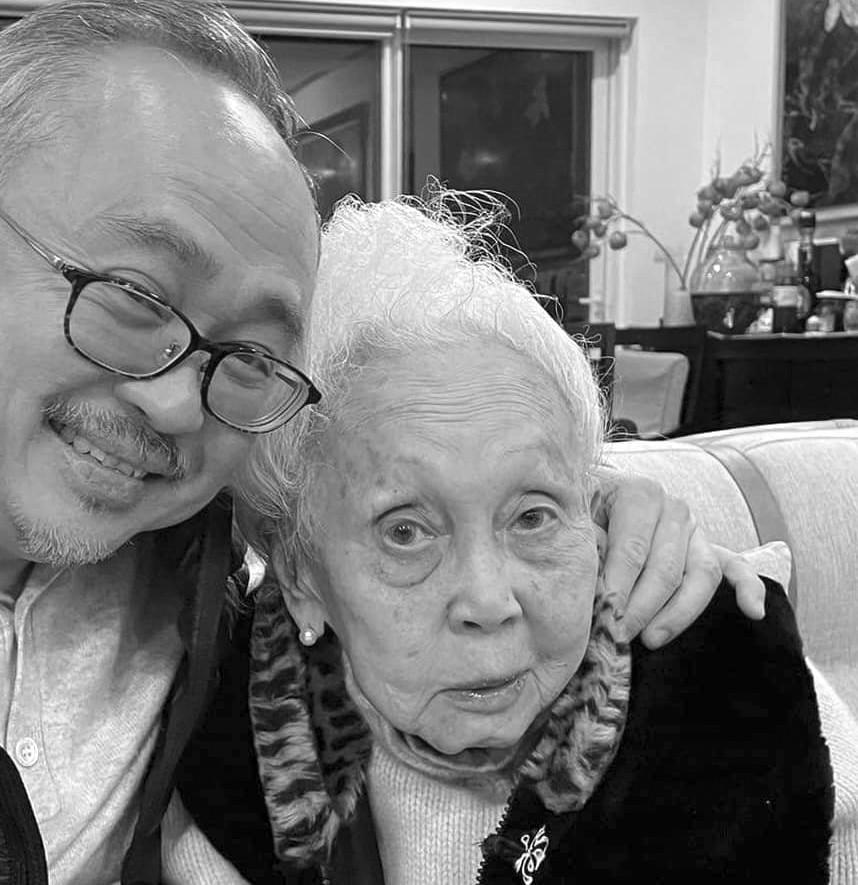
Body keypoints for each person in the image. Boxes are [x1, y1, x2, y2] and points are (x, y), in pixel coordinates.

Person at [0, 2, 763, 883]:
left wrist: (612, 518)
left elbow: (413, 485)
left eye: (247, 353)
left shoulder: (200, 504)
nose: (181, 406)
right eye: (135, 297)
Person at [211, 197, 857, 883]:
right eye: (405, 531)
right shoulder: (235, 738)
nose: (490, 601)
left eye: (532, 517)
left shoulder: (737, 686)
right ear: (301, 576)